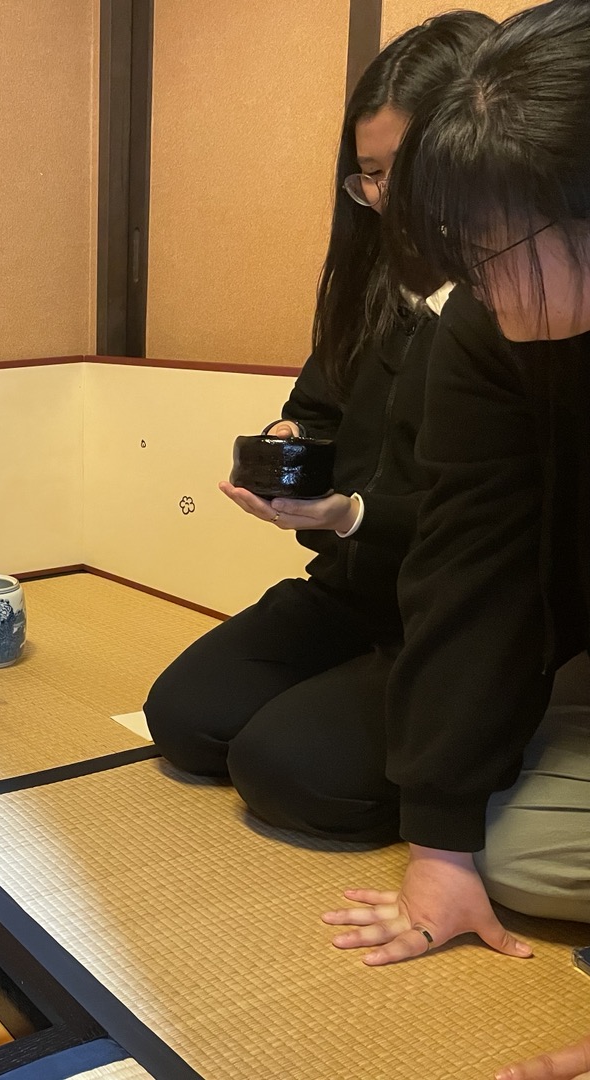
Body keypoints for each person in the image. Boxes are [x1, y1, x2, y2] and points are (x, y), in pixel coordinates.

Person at [307, 4, 590, 1076]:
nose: (466, 275)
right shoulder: (487, 324)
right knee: (512, 857)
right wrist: (439, 843)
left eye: (488, 244)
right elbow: (472, 565)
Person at [142, 12, 497, 842]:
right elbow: (317, 405)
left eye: (403, 170)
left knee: (285, 770)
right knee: (184, 719)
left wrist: (354, 513)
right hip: (354, 587)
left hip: (454, 616)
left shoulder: (508, 303)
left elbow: (490, 514)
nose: (385, 198)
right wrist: (290, 445)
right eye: (369, 176)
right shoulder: (378, 282)